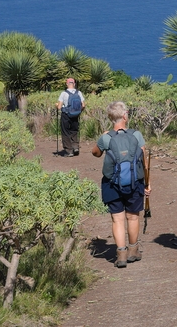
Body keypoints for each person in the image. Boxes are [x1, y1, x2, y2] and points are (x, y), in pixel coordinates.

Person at [90, 101, 151, 268]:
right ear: (125, 116)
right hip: (135, 181)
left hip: (111, 183)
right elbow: (143, 160)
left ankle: (121, 254)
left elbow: (95, 153)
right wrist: (147, 183)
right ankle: (133, 251)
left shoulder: (106, 137)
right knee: (132, 217)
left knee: (117, 219)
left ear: (111, 118)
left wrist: (102, 138)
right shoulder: (136, 135)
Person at [56, 77, 86, 156]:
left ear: (67, 84)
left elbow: (59, 107)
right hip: (76, 114)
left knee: (65, 132)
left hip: (66, 114)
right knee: (74, 130)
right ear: (74, 84)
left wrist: (57, 105)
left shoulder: (64, 93)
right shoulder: (78, 93)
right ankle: (75, 147)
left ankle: (69, 151)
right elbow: (83, 105)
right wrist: (79, 111)